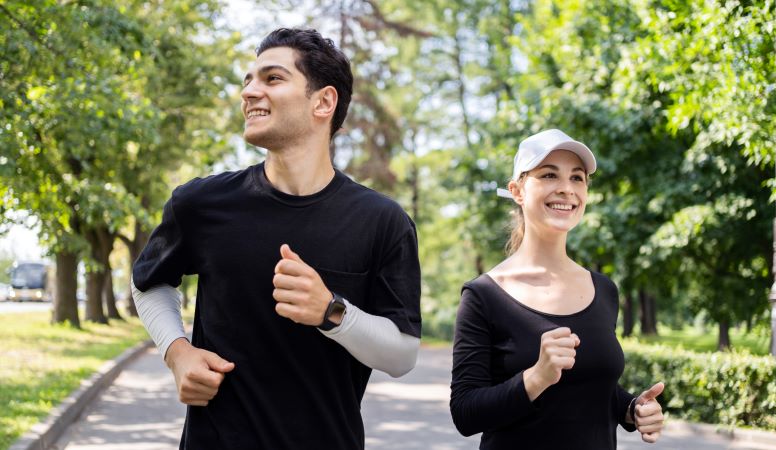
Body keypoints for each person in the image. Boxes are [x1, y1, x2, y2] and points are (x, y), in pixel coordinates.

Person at [131, 28, 421, 449]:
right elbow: (149, 281)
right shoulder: (201, 203)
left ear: (323, 102)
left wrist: (331, 311)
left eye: (272, 78)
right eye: (248, 80)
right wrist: (177, 352)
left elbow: (402, 355)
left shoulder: (382, 221)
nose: (249, 91)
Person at [449, 129, 665, 449]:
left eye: (577, 178)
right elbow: (465, 413)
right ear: (517, 191)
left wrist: (632, 409)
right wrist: (536, 377)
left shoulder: (604, 290)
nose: (566, 189)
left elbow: (591, 388)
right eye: (549, 175)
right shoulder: (484, 295)